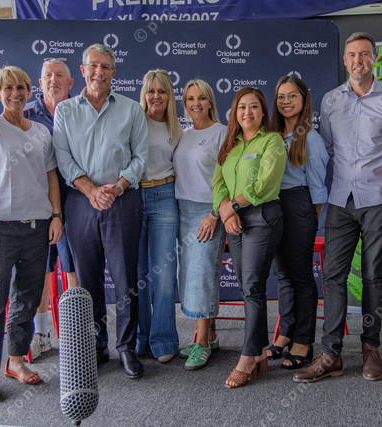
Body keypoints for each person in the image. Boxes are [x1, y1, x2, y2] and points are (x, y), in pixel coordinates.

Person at [293, 32, 382, 383]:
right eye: (351, 55)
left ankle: (371, 348)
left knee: (373, 275)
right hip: (341, 200)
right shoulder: (330, 101)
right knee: (333, 276)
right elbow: (330, 148)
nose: (358, 60)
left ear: (374, 58)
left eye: (364, 54)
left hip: (379, 199)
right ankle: (330, 354)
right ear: (344, 61)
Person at [0, 66, 62, 404]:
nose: (16, 93)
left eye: (21, 87)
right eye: (8, 88)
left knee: (27, 297)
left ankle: (16, 359)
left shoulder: (41, 132)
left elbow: (51, 176)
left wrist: (56, 215)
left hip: (37, 227)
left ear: (29, 91)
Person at [52, 44, 148, 379]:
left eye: (106, 67)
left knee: (126, 281)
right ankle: (96, 346)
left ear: (114, 73)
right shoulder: (65, 111)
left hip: (122, 200)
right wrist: (91, 191)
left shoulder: (132, 110)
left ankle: (127, 348)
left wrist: (116, 188)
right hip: (80, 203)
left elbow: (140, 158)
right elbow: (63, 159)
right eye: (93, 65)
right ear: (82, 70)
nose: (99, 72)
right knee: (88, 280)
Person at [213, 87, 286, 388]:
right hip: (234, 220)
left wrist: (231, 207)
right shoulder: (230, 144)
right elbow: (218, 182)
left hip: (262, 217)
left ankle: (247, 357)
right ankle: (259, 354)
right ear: (235, 112)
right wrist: (226, 211)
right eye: (242, 107)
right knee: (246, 287)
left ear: (263, 111)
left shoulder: (272, 140)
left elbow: (264, 184)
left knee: (253, 285)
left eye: (254, 106)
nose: (247, 112)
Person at [267, 76, 328, 369]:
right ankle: (285, 334)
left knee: (301, 276)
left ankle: (304, 340)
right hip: (272, 206)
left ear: (304, 100)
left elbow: (317, 187)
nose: (286, 101)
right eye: (281, 96)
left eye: (292, 96)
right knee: (282, 275)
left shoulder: (310, 139)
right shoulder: (271, 135)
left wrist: (311, 222)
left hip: (299, 206)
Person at [23, 57, 79, 360]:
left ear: (70, 83)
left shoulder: (82, 113)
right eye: (48, 75)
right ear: (40, 82)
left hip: (78, 204)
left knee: (74, 270)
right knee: (41, 271)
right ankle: (41, 335)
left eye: (59, 75)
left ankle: (74, 335)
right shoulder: (26, 117)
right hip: (39, 208)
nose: (53, 80)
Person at [174, 79, 227, 370]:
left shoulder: (222, 133)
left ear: (210, 102)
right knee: (189, 276)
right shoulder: (182, 135)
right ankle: (211, 336)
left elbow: (230, 178)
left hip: (209, 213)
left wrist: (215, 213)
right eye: (191, 98)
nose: (196, 103)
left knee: (202, 276)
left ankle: (202, 343)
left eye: (202, 98)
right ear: (185, 103)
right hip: (183, 211)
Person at [136, 69, 181, 363]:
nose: (156, 96)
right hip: (133, 197)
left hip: (164, 196)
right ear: (144, 94)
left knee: (164, 274)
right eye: (151, 91)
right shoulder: (134, 122)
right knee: (138, 274)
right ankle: (141, 339)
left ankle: (163, 339)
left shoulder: (176, 129)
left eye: (162, 91)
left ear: (169, 96)